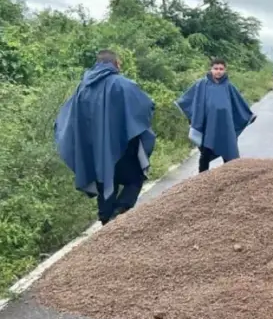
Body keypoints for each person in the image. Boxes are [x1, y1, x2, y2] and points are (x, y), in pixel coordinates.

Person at [54, 49, 156, 226]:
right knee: (136, 177)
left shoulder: (82, 88)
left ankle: (106, 224)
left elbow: (68, 118)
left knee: (105, 183)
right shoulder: (123, 84)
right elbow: (146, 105)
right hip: (122, 147)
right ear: (115, 64)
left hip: (95, 150)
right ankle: (120, 210)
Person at [175, 57, 256, 173]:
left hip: (225, 127)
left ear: (225, 70)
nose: (218, 71)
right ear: (211, 69)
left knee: (228, 152)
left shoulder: (229, 87)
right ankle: (202, 179)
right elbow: (189, 100)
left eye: (221, 69)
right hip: (209, 126)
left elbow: (238, 104)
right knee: (205, 154)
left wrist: (249, 115)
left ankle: (230, 178)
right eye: (216, 68)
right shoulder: (202, 84)